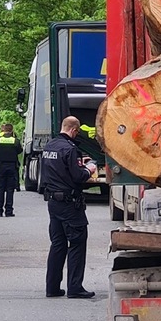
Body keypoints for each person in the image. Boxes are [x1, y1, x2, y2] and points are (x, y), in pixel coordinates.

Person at [40, 115, 97, 299]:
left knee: (57, 244)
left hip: (53, 203)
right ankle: (75, 288)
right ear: (73, 130)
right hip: (70, 204)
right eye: (77, 132)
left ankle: (52, 287)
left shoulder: (49, 146)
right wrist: (89, 169)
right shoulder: (70, 149)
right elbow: (78, 177)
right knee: (77, 243)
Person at [0, 122, 23, 217]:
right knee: (10, 190)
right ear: (12, 130)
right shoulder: (15, 141)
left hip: (1, 167)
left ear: (3, 130)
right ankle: (9, 211)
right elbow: (20, 150)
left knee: (0, 189)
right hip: (12, 167)